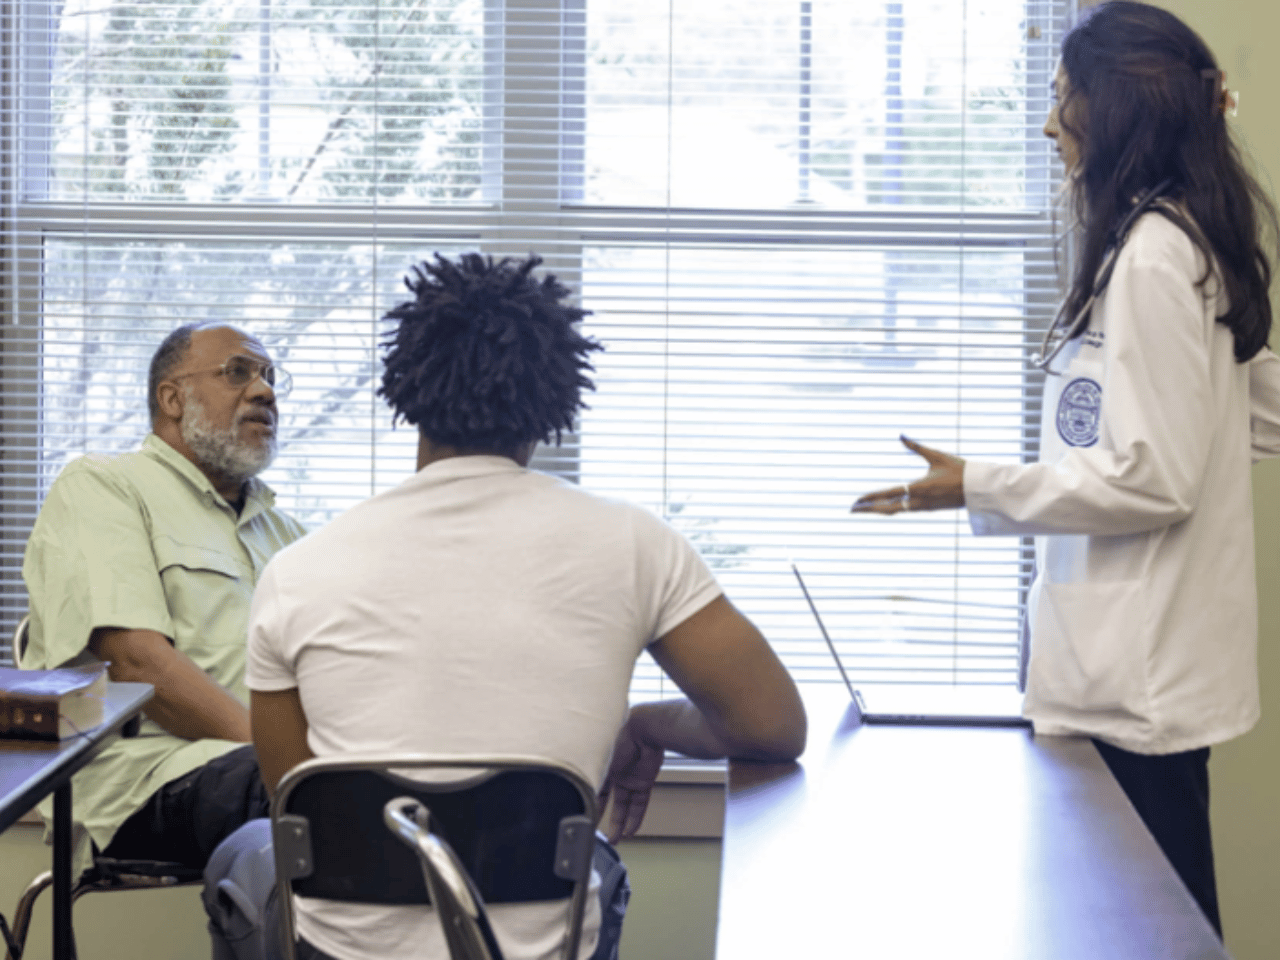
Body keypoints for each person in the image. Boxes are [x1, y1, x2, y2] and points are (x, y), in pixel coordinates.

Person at [206, 252, 807, 960]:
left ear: (407, 388)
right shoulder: (637, 545)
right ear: (556, 401)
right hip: (544, 952)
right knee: (601, 870)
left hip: (343, 952)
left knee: (239, 860)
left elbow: (295, 801)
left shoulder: (297, 571)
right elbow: (773, 725)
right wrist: (648, 724)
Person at [851, 1, 1280, 937]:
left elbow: (1154, 478)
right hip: (1126, 680)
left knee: (1150, 937)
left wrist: (975, 484)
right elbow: (1242, 417)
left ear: (1116, 108)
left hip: (1140, 689)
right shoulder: (1165, 243)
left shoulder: (1159, 257)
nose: (1050, 126)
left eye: (1062, 100)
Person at [21, 321, 307, 877]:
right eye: (239, 372)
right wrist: (292, 761)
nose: (265, 391)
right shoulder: (104, 485)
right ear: (172, 398)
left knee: (408, 786)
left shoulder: (288, 535)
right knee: (329, 804)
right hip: (150, 773)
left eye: (270, 377)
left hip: (261, 766)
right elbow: (134, 662)